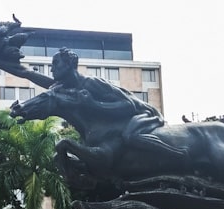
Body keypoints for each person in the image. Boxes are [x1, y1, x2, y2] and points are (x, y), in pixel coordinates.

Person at [49, 47, 183, 157]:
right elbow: (48, 87)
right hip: (126, 120)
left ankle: (176, 154)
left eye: (55, 63)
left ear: (69, 64)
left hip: (144, 113)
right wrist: (27, 73)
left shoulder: (91, 84)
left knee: (130, 136)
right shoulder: (71, 86)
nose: (52, 69)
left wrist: (93, 105)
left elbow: (128, 105)